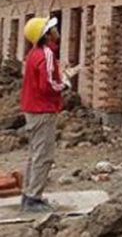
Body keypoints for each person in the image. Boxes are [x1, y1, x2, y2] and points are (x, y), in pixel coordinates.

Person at [20, 16, 66, 213]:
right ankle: (33, 199)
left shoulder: (33, 53)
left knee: (35, 154)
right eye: (52, 28)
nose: (56, 31)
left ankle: (28, 194)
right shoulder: (46, 53)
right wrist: (64, 84)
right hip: (43, 110)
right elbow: (47, 86)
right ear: (45, 35)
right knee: (44, 155)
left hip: (32, 109)